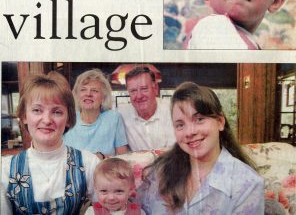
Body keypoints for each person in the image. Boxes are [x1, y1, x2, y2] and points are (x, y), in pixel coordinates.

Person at [138, 82, 264, 214]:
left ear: (220, 122)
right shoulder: (159, 171)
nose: (189, 132)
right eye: (180, 125)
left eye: (199, 119)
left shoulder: (248, 184)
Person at [1, 71, 100, 214]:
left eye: (57, 112)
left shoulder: (89, 163)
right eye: (37, 110)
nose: (47, 120)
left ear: (68, 119)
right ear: (24, 116)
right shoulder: (5, 170)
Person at [64, 69, 128, 157]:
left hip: (105, 170)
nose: (88, 94)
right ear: (77, 95)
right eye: (83, 89)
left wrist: (102, 157)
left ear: (103, 97)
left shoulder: (113, 118)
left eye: (94, 90)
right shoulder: (68, 119)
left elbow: (124, 158)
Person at [117, 66, 175, 151]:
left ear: (155, 89)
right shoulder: (121, 114)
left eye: (144, 89)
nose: (139, 96)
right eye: (133, 91)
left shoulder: (172, 110)